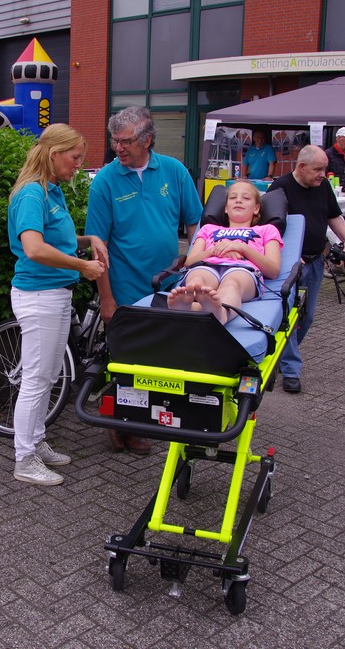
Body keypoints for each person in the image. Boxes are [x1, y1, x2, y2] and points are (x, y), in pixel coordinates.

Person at [86, 106, 202, 454]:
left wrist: (196, 266)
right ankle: (124, 423)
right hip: (126, 286)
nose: (117, 148)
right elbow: (98, 245)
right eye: (114, 141)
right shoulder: (106, 181)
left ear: (147, 139)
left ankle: (138, 418)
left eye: (125, 141)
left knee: (162, 356)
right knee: (129, 358)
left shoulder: (174, 171)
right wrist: (107, 299)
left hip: (170, 285)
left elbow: (196, 224)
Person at [7, 123, 107, 486]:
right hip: (40, 296)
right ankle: (24, 459)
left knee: (47, 376)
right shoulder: (32, 194)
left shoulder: (51, 191)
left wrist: (89, 238)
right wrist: (82, 266)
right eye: (75, 158)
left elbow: (57, 239)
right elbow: (34, 248)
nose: (78, 165)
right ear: (54, 154)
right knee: (37, 380)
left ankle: (36, 443)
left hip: (54, 295)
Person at [266, 145, 345, 394]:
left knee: (308, 316)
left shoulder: (322, 186)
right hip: (290, 266)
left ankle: (279, 356)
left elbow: (332, 215)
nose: (323, 174)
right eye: (318, 169)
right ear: (302, 167)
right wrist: (288, 253)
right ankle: (291, 370)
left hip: (315, 261)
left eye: (324, 169)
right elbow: (269, 228)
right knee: (289, 317)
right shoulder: (279, 188)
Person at [167, 180, 282, 324]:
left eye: (246, 198)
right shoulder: (208, 229)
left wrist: (241, 248)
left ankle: (221, 313)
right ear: (226, 208)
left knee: (232, 284)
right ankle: (189, 306)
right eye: (233, 197)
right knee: (197, 280)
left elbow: (273, 270)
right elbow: (190, 262)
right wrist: (215, 251)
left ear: (256, 208)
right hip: (207, 265)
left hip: (243, 269)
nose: (238, 200)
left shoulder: (267, 230)